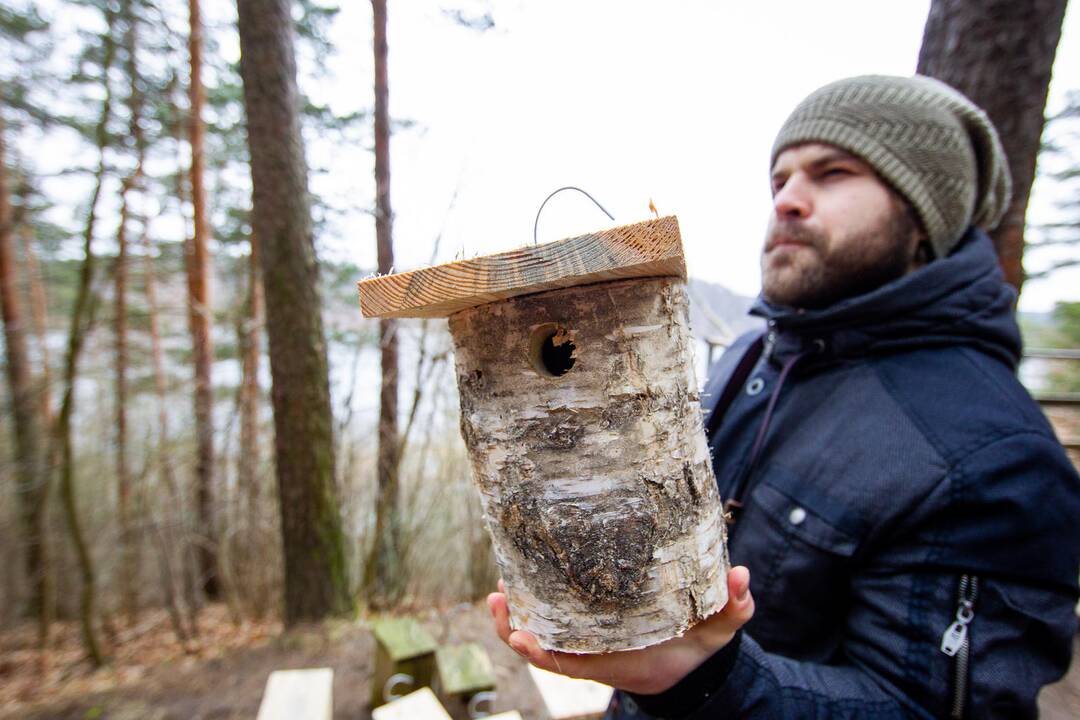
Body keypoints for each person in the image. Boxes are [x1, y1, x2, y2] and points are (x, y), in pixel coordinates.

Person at [487, 74, 1080, 719]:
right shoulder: (752, 356)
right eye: (780, 179)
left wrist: (699, 680)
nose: (789, 200)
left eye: (834, 172)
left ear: (923, 217)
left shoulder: (991, 458)